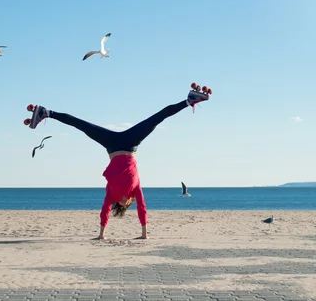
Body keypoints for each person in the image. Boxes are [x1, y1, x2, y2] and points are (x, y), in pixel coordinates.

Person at [26, 83, 212, 240]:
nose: (128, 203)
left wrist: (101, 234)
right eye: (129, 204)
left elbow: (104, 211)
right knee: (157, 118)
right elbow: (143, 208)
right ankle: (190, 100)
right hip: (131, 144)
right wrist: (144, 233)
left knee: (81, 125)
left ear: (120, 205)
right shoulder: (135, 191)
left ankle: (46, 112)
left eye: (125, 206)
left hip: (112, 146)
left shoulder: (112, 195)